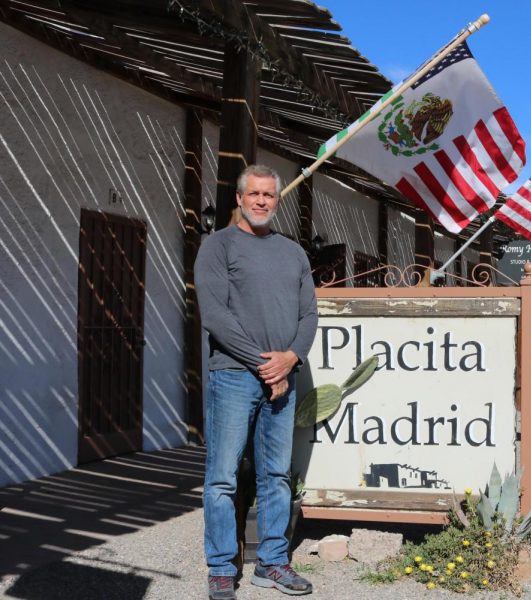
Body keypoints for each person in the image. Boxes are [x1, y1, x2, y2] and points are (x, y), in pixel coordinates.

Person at [196, 164, 318, 599]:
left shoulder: (294, 253)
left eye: (270, 195)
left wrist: (290, 358)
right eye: (255, 194)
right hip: (233, 377)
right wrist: (266, 366)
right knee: (223, 478)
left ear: (277, 201)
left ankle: (272, 563)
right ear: (240, 198)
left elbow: (309, 316)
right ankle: (221, 567)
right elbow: (215, 316)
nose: (262, 201)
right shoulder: (218, 247)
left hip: (282, 379)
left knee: (276, 475)